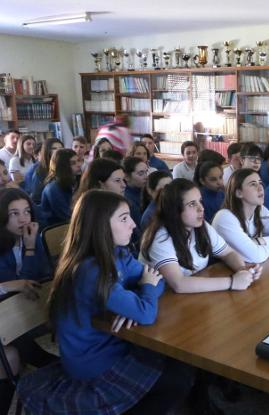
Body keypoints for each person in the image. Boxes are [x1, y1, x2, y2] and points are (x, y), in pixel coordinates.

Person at [17, 189, 194, 415]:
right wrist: (140, 296)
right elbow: (147, 309)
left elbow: (157, 280)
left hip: (113, 344)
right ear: (101, 225)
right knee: (177, 377)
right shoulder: (90, 270)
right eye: (124, 218)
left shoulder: (118, 254)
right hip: (93, 363)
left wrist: (132, 302)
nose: (133, 224)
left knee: (179, 365)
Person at [141, 178, 260, 294]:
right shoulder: (160, 238)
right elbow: (178, 284)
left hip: (195, 294)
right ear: (174, 210)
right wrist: (232, 282)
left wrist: (243, 271)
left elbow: (228, 253)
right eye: (192, 204)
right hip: (165, 301)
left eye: (200, 201)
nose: (201, 208)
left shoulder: (201, 225)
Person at [0, 188, 54, 415]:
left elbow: (36, 281)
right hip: (6, 315)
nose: (23, 219)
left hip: (22, 312)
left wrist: (31, 247)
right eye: (14, 214)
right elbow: (21, 285)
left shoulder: (31, 239)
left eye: (26, 212)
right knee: (16, 353)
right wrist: (11, 285)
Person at [212, 169, 269, 263]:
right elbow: (256, 256)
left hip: (249, 270)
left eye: (260, 183)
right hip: (220, 273)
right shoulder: (224, 218)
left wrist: (260, 241)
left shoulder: (260, 209)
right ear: (239, 193)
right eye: (253, 184)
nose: (260, 188)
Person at [40, 149, 82, 227]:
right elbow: (66, 216)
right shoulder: (53, 188)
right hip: (56, 229)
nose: (79, 165)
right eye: (73, 163)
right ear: (63, 166)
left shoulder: (76, 180)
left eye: (78, 161)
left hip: (69, 225)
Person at [23, 138, 63, 204]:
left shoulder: (65, 166)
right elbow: (36, 198)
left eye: (61, 148)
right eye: (54, 148)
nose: (58, 151)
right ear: (47, 151)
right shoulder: (40, 170)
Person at [122, 156, 149, 231]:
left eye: (146, 172)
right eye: (141, 173)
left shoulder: (145, 190)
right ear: (126, 177)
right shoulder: (127, 199)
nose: (146, 177)